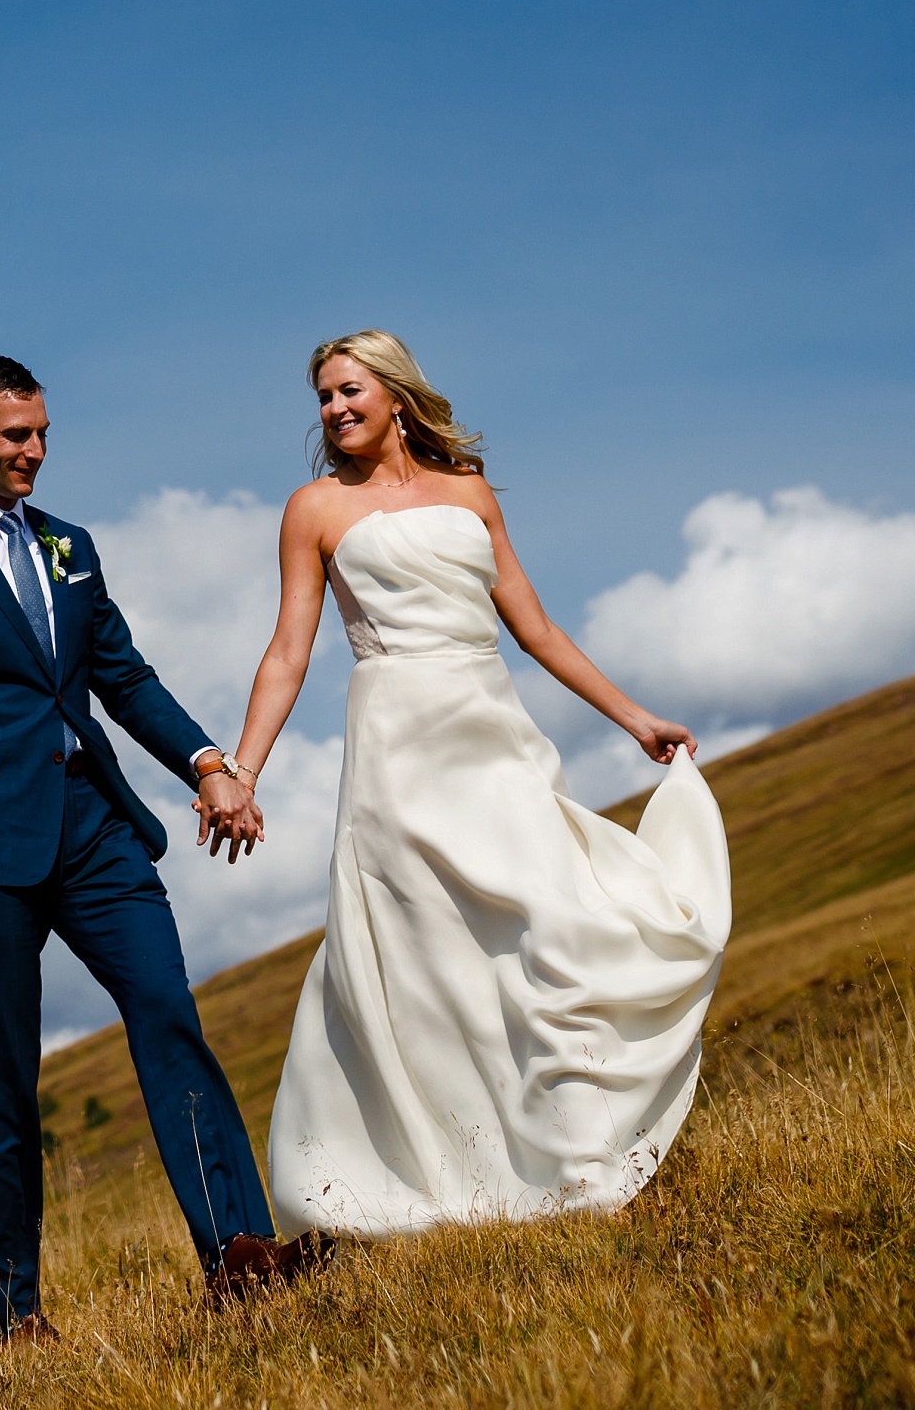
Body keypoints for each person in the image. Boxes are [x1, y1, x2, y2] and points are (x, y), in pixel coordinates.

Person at [217, 329, 731, 1235]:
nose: (335, 409)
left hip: (493, 731)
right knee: (424, 958)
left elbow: (535, 628)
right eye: (325, 398)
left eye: (349, 390)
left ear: (397, 394)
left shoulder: (471, 493)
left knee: (555, 921)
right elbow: (288, 650)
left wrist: (635, 715)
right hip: (396, 745)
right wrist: (242, 768)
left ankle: (573, 1151)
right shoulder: (313, 509)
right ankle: (437, 1170)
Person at [0, 354, 313, 1337]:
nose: (34, 452)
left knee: (166, 1011)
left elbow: (123, 675)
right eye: (15, 435)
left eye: (43, 434)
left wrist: (205, 762)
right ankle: (13, 1309)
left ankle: (236, 1252)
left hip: (96, 828)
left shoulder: (71, 545)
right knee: (0, 1078)